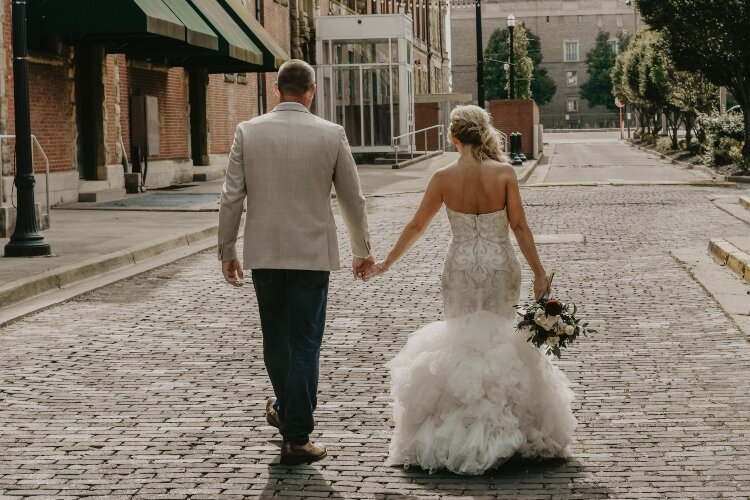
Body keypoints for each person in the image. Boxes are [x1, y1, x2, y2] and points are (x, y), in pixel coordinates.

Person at [364, 105, 576, 474]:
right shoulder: (505, 173)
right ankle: (505, 429)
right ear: (484, 133)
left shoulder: (442, 177)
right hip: (499, 266)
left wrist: (387, 262)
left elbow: (416, 226)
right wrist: (539, 273)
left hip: (460, 268)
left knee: (462, 341)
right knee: (499, 337)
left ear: (453, 136)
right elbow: (520, 228)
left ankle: (459, 430)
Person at [217, 59, 374, 465]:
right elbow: (352, 199)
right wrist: (362, 249)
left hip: (264, 255)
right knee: (305, 344)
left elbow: (231, 196)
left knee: (275, 339)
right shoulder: (331, 134)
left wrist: (227, 250)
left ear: (276, 89)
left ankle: (289, 416)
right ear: (311, 91)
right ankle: (297, 436)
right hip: (311, 256)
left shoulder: (247, 132)